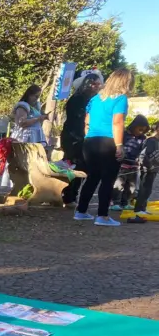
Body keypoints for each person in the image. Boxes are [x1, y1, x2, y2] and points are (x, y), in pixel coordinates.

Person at [74, 68, 135, 227]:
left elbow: (87, 122)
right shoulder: (120, 98)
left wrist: (88, 137)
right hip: (108, 141)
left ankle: (81, 211)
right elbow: (117, 122)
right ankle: (102, 216)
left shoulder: (95, 99)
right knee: (108, 179)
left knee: (92, 177)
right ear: (125, 82)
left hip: (90, 141)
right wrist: (119, 145)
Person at [60, 72, 102, 207]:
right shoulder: (77, 99)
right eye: (93, 84)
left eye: (97, 84)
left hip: (85, 137)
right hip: (73, 137)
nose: (95, 87)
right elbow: (76, 120)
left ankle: (72, 195)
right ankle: (67, 195)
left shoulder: (94, 100)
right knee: (73, 166)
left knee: (83, 168)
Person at [112, 115, 150, 211]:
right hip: (122, 164)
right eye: (139, 129)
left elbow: (143, 150)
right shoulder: (124, 135)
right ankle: (115, 202)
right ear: (134, 126)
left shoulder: (142, 138)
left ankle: (125, 202)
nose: (141, 132)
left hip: (134, 165)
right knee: (119, 183)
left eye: (143, 130)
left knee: (131, 186)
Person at [130, 121, 159, 224]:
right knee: (144, 189)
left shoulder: (157, 141)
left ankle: (143, 208)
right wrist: (148, 166)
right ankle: (139, 210)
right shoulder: (151, 141)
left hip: (154, 169)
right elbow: (143, 155)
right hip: (148, 169)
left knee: (148, 189)